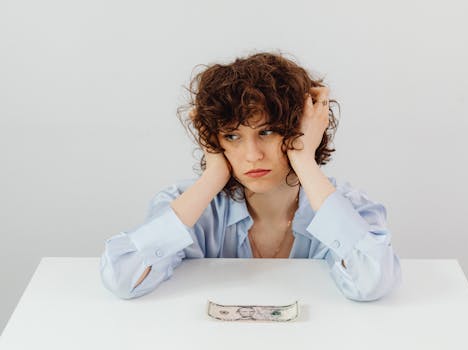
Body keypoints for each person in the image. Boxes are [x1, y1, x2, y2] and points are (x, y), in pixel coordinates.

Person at [99, 51, 402, 301]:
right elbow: (123, 279)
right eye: (232, 136)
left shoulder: (347, 207)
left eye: (267, 132)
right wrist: (212, 175)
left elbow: (372, 282)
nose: (252, 154)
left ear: (303, 130)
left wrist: (303, 159)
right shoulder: (190, 207)